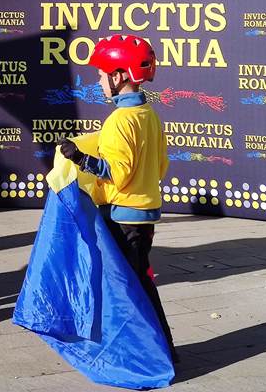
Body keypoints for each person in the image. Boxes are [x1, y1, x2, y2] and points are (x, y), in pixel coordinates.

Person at [58, 34, 177, 361]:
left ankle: (147, 355)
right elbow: (161, 165)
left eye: (101, 74)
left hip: (123, 215)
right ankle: (160, 349)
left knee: (129, 289)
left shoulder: (119, 121)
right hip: (144, 214)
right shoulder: (148, 115)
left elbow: (117, 173)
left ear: (119, 75)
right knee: (138, 282)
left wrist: (80, 158)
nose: (98, 81)